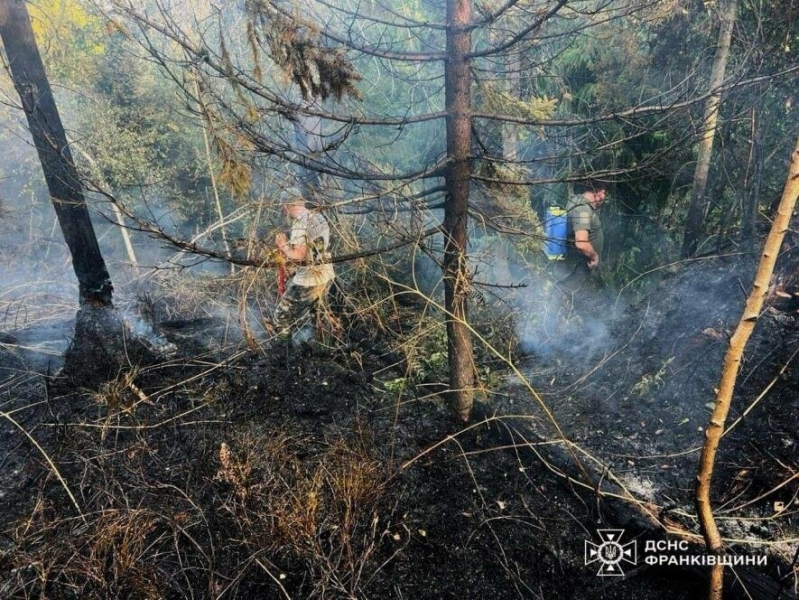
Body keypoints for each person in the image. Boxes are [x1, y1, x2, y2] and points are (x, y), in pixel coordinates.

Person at [273, 187, 335, 344]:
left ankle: (283, 353)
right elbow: (316, 249)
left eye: (283, 207)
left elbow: (299, 256)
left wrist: (283, 246)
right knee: (316, 315)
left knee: (281, 317)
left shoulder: (301, 223)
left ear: (287, 206)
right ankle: (320, 346)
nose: (284, 211)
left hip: (308, 281)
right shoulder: (318, 216)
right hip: (325, 275)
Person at [552, 180, 608, 315]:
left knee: (567, 304)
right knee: (561, 307)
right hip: (572, 271)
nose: (604, 197)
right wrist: (594, 257)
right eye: (605, 193)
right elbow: (581, 243)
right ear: (599, 193)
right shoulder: (582, 209)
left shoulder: (577, 202)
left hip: (572, 269)